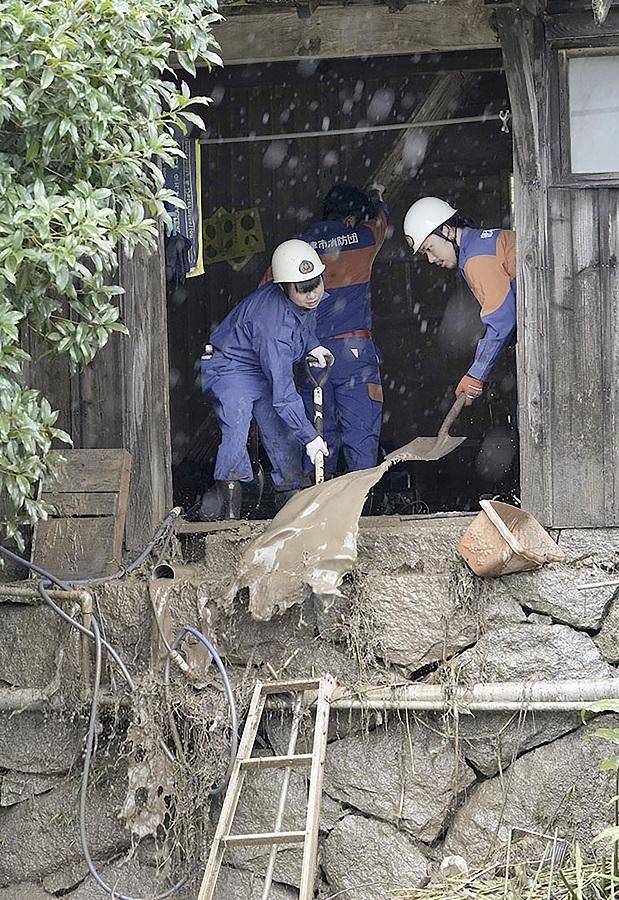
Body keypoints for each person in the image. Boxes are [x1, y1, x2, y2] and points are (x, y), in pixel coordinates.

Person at [201, 239, 333, 519]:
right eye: (303, 290)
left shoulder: (307, 299)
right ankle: (229, 515)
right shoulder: (271, 325)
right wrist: (311, 437)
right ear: (284, 286)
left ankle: (292, 503)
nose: (312, 295)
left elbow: (303, 322)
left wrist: (312, 345)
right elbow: (284, 394)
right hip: (232, 367)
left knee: (284, 436)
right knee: (236, 431)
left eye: (316, 285)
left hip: (263, 367)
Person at [299, 183, 389, 475]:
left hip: (312, 353)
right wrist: (377, 198)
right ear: (351, 218)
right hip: (354, 352)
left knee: (317, 433)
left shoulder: (298, 248)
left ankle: (314, 506)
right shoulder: (363, 239)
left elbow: (267, 289)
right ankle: (359, 510)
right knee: (361, 433)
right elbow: (380, 223)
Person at [403, 197, 516, 402]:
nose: (430, 259)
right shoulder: (481, 244)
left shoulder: (477, 258)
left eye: (429, 248)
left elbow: (502, 319)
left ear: (446, 230)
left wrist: (476, 374)